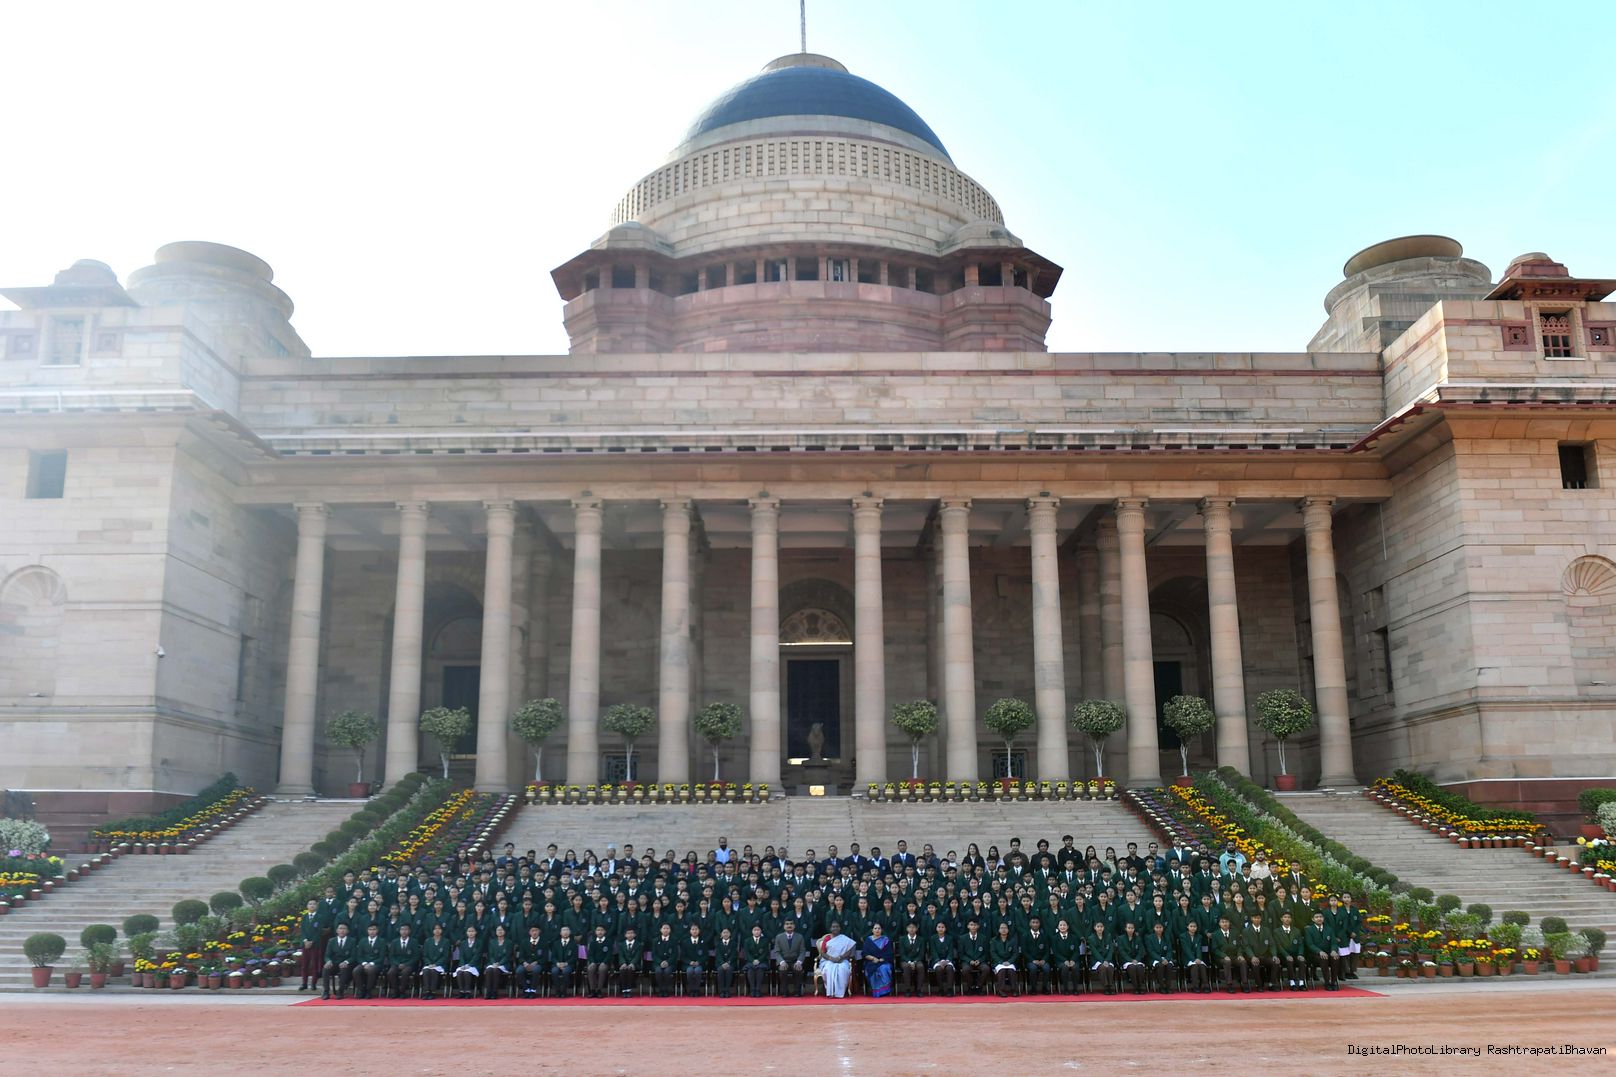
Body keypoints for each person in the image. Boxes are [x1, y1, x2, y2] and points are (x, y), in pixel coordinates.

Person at [772, 918, 809, 997]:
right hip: (784, 961)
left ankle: (797, 991)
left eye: (791, 924)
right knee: (783, 969)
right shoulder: (779, 937)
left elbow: (802, 951)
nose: (789, 925)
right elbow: (777, 952)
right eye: (787, 924)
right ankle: (784, 991)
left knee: (798, 969)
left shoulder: (800, 937)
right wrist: (781, 962)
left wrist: (799, 962)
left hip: (795, 961)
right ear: (784, 926)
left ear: (794, 926)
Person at [819, 922, 857, 999]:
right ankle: (831, 992)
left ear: (840, 928)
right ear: (830, 928)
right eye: (833, 927)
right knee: (828, 969)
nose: (835, 928)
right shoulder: (827, 938)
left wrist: (840, 957)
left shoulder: (844, 939)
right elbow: (822, 953)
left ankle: (840, 992)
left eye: (837, 927)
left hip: (842, 960)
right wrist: (831, 958)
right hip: (828, 960)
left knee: (843, 969)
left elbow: (849, 951)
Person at [1305, 910, 1340, 991]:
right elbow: (1310, 944)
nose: (1319, 919)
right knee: (1324, 958)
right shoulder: (1309, 930)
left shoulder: (1329, 929)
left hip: (1328, 952)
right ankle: (1327, 982)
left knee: (1335, 958)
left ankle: (1334, 981)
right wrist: (1319, 952)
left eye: (1320, 917)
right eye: (1316, 917)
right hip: (1315, 954)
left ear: (1323, 918)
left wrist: (1333, 950)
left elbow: (1334, 943)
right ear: (1313, 919)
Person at [321, 921, 354, 1000]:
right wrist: (328, 961)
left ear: (348, 931)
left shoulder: (352, 941)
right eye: (340, 928)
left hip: (346, 964)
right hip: (334, 963)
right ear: (337, 930)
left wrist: (346, 962)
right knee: (325, 968)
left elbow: (353, 956)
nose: (342, 930)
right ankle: (326, 991)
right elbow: (327, 955)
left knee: (343, 968)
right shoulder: (331, 941)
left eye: (344, 928)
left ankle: (340, 991)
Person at [386, 921, 420, 999]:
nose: (404, 931)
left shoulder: (414, 942)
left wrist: (406, 964)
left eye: (406, 929)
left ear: (409, 931)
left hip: (409, 964)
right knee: (391, 972)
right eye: (402, 929)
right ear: (399, 931)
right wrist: (398, 964)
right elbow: (391, 956)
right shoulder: (394, 942)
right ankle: (396, 991)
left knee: (405, 972)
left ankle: (402, 992)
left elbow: (416, 956)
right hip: (397, 963)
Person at [861, 922, 894, 998]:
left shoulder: (886, 940)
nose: (877, 930)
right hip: (871, 962)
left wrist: (882, 959)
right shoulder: (868, 940)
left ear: (881, 930)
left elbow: (889, 953)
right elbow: (865, 953)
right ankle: (876, 991)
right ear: (872, 930)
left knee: (884, 968)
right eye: (875, 928)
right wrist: (873, 958)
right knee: (871, 970)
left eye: (879, 928)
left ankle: (885, 991)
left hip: (884, 961)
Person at [420, 922, 451, 1000]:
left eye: (439, 928)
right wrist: (429, 963)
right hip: (429, 964)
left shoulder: (446, 941)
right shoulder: (427, 941)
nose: (437, 930)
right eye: (435, 929)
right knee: (426, 971)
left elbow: (445, 956)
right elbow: (425, 955)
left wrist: (436, 964)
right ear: (432, 930)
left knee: (434, 971)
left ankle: (433, 992)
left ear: (442, 930)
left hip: (440, 965)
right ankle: (427, 991)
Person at [1179, 918, 1210, 994]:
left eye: (1194, 926)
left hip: (1197, 958)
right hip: (1187, 958)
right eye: (1191, 926)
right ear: (1187, 927)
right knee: (1195, 966)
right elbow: (1186, 950)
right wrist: (1193, 959)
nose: (1193, 928)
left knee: (1202, 966)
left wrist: (1198, 958)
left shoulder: (1199, 936)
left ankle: (1205, 986)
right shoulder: (1182, 936)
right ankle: (1195, 986)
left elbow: (1199, 949)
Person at [896, 921, 926, 997]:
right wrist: (909, 962)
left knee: (920, 967)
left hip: (917, 960)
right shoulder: (902, 939)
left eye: (913, 927)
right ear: (906, 929)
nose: (911, 929)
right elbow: (902, 954)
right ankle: (907, 989)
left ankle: (919, 989)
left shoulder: (921, 939)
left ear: (916, 929)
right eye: (909, 927)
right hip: (905, 960)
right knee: (906, 967)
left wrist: (915, 962)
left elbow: (921, 954)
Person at [1116, 920, 1147, 995]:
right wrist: (1130, 960)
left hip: (1136, 960)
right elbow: (1121, 951)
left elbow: (1141, 951)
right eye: (1129, 928)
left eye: (1132, 928)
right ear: (1125, 929)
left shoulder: (1138, 938)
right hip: (1126, 960)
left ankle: (1140, 986)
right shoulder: (1121, 938)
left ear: (1134, 929)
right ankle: (1136, 987)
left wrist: (1137, 959)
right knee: (1132, 967)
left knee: (1139, 967)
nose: (1130, 929)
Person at [483, 924, 513, 999]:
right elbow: (490, 955)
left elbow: (507, 956)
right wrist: (494, 963)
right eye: (498, 930)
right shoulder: (492, 942)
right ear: (496, 932)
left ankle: (494, 992)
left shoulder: (509, 942)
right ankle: (488, 992)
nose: (500, 931)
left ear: (504, 931)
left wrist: (499, 963)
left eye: (501, 930)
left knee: (496, 970)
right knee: (489, 970)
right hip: (493, 963)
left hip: (504, 964)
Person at [1144, 920, 1175, 994]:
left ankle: (1168, 986)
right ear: (1154, 928)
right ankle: (1161, 986)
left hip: (1166, 958)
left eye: (1160, 927)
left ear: (1163, 928)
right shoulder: (1149, 938)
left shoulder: (1167, 937)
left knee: (1169, 966)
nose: (1159, 929)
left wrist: (1167, 959)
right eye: (1157, 927)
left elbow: (1170, 950)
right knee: (1160, 966)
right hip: (1154, 959)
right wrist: (1160, 959)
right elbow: (1151, 951)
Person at [517, 924, 547, 998]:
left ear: (539, 931)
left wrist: (536, 962)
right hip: (526, 963)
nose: (534, 932)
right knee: (519, 971)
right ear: (529, 932)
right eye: (532, 931)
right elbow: (520, 957)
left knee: (536, 970)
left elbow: (545, 957)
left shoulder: (544, 942)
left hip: (538, 963)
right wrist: (524, 963)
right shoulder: (524, 942)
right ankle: (526, 990)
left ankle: (533, 990)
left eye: (536, 930)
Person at [453, 925, 483, 999]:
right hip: (464, 964)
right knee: (460, 972)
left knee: (467, 972)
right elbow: (461, 956)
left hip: (474, 964)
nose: (471, 933)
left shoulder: (479, 942)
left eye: (472, 931)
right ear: (466, 933)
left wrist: (470, 965)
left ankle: (468, 991)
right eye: (469, 931)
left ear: (476, 932)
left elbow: (477, 955)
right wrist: (462, 964)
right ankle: (461, 991)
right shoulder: (463, 943)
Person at [1088, 920, 1117, 995]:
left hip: (1108, 959)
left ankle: (1110, 986)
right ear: (1095, 928)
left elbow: (1111, 950)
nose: (1100, 928)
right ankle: (1106, 987)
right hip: (1097, 960)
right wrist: (1102, 961)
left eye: (1101, 927)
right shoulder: (1091, 938)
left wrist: (1107, 960)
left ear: (1103, 928)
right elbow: (1095, 952)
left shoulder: (1108, 936)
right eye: (1098, 926)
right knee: (1103, 968)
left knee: (1110, 968)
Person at [585, 923, 613, 998]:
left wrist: (604, 962)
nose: (600, 932)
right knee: (590, 968)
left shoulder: (609, 942)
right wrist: (592, 962)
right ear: (595, 932)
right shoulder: (592, 942)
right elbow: (590, 955)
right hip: (595, 962)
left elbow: (609, 955)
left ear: (605, 931)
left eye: (601, 930)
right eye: (598, 930)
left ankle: (599, 990)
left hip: (605, 963)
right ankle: (592, 990)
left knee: (602, 968)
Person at [743, 923, 771, 998]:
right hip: (750, 961)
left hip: (762, 961)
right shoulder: (747, 941)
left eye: (758, 930)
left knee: (760, 969)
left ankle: (758, 990)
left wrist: (759, 960)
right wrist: (753, 960)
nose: (756, 931)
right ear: (752, 931)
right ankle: (752, 990)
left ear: (761, 931)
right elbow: (747, 953)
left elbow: (765, 953)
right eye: (755, 930)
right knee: (750, 969)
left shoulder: (765, 940)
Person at [549, 925, 577, 998]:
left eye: (567, 930)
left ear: (570, 932)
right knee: (554, 971)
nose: (565, 932)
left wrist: (566, 963)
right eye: (563, 930)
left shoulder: (574, 944)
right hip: (557, 964)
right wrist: (557, 963)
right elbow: (553, 957)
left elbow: (575, 957)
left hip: (569, 964)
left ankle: (564, 991)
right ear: (560, 933)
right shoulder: (556, 943)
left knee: (566, 971)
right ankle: (557, 991)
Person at [614, 926, 642, 997]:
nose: (630, 935)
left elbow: (637, 956)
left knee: (630, 969)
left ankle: (629, 990)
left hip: (635, 965)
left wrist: (632, 963)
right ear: (625, 935)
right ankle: (624, 990)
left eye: (632, 933)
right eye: (628, 933)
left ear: (635, 934)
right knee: (623, 969)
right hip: (624, 964)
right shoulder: (621, 944)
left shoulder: (639, 944)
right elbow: (621, 956)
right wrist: (623, 963)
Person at [713, 926, 739, 998]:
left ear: (730, 934)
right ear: (721, 934)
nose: (725, 934)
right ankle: (722, 991)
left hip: (730, 963)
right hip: (720, 963)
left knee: (729, 969)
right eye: (724, 932)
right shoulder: (718, 944)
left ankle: (727, 990)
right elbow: (718, 955)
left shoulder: (734, 943)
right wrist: (722, 963)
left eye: (727, 932)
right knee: (720, 970)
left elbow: (734, 955)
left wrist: (728, 963)